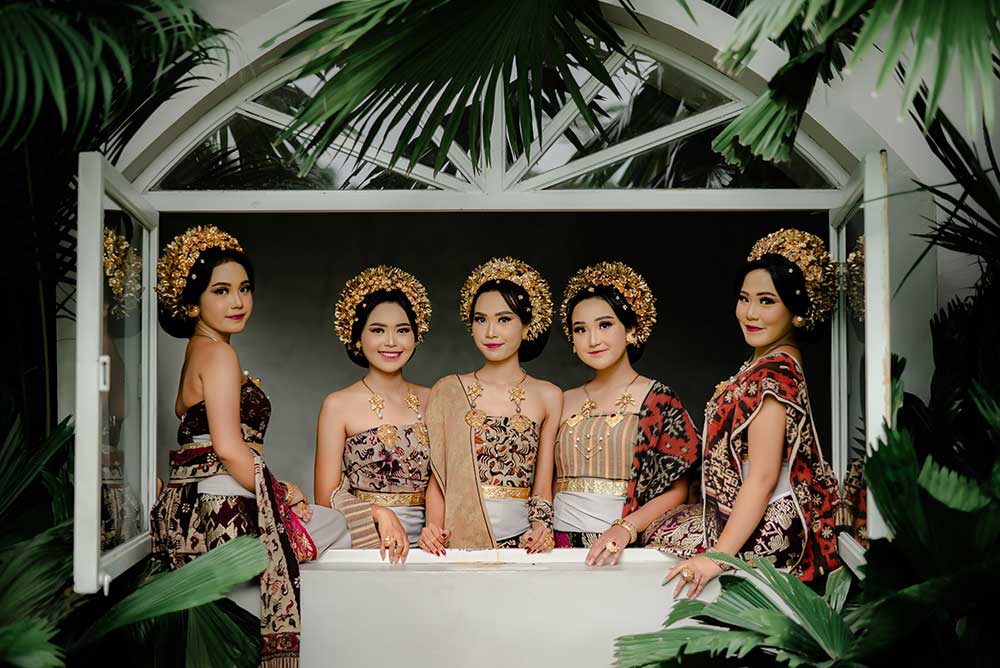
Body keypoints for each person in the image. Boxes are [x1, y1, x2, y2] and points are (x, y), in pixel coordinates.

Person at [150, 226, 349, 667]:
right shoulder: (220, 356)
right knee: (335, 526)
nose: (238, 301)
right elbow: (227, 447)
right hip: (225, 510)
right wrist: (281, 494)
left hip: (199, 507)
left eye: (244, 289)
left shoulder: (197, 351)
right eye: (221, 291)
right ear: (193, 301)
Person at [653, 228, 842, 598]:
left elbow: (764, 477)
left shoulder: (774, 374)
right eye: (744, 299)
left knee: (657, 532)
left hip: (767, 525)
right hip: (750, 511)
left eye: (767, 301)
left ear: (796, 309)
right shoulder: (767, 362)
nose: (750, 313)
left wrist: (717, 558)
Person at [554, 261, 699, 566]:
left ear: (631, 329)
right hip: (557, 547)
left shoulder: (658, 399)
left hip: (626, 549)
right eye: (581, 329)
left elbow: (678, 490)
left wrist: (625, 528)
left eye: (605, 325)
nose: (593, 339)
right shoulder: (561, 401)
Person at [420, 257, 562, 552]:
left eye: (504, 319)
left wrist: (541, 528)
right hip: (455, 541)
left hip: (522, 545)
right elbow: (438, 478)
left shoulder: (548, 395)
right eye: (480, 319)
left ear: (528, 325)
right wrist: (433, 529)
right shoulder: (448, 390)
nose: (490, 332)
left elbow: (542, 485)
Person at [315, 266, 433, 563]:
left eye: (402, 330)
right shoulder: (337, 405)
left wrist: (435, 528)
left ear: (416, 336)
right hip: (364, 544)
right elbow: (325, 497)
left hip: (431, 546)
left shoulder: (434, 399)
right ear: (357, 337)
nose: (391, 341)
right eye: (378, 330)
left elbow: (447, 480)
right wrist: (379, 513)